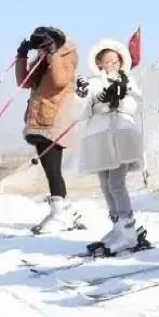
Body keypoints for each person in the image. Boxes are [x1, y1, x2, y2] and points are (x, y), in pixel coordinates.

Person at [75, 39, 145, 254]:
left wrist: (120, 98)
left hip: (121, 132)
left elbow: (137, 103)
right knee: (105, 183)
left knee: (116, 181)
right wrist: (81, 96)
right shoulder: (93, 82)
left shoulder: (128, 80)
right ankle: (117, 224)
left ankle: (127, 224)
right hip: (100, 135)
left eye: (115, 61)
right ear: (99, 63)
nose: (111, 65)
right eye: (107, 61)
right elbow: (82, 112)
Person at [15, 27, 81, 234]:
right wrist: (22, 55)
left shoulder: (66, 56)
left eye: (44, 44)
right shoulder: (44, 61)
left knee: (53, 171)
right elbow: (23, 82)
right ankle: (61, 210)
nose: (41, 48)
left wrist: (53, 54)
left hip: (54, 121)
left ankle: (60, 214)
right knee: (50, 170)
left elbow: (60, 81)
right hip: (40, 120)